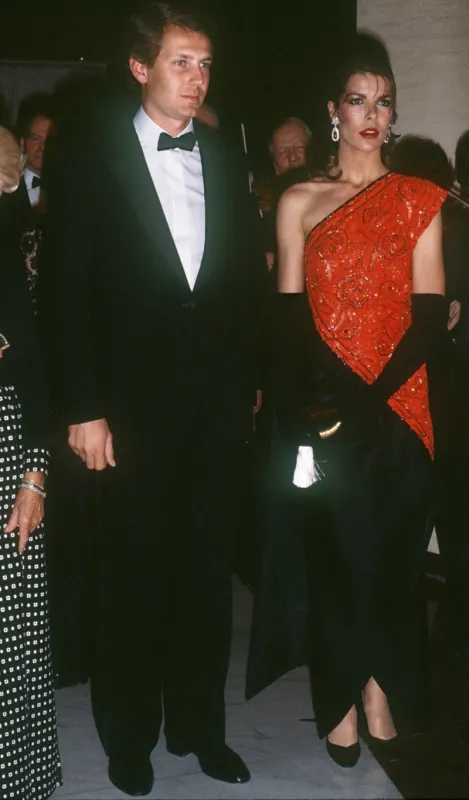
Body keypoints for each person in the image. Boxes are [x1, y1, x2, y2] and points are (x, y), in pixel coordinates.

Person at [42, 2, 263, 796]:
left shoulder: (223, 151)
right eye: (181, 61)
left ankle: (199, 731)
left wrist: (245, 390)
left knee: (204, 580)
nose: (197, 77)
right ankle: (129, 740)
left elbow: (236, 285)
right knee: (131, 580)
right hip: (123, 414)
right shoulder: (88, 155)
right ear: (140, 67)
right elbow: (63, 294)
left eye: (204, 63)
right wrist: (81, 407)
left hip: (210, 413)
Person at [247, 34, 447, 768]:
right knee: (334, 561)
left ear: (393, 114)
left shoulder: (420, 199)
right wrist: (302, 411)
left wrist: (368, 404)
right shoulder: (297, 200)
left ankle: (377, 691)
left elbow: (429, 317)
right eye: (357, 100)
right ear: (334, 112)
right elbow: (288, 320)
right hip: (324, 411)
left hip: (398, 414)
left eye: (383, 100)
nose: (372, 113)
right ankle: (337, 697)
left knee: (391, 563)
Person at [0, 126, 61, 799]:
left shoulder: (11, 259)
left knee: (8, 649)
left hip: (5, 450)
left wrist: (35, 473)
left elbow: (38, 373)